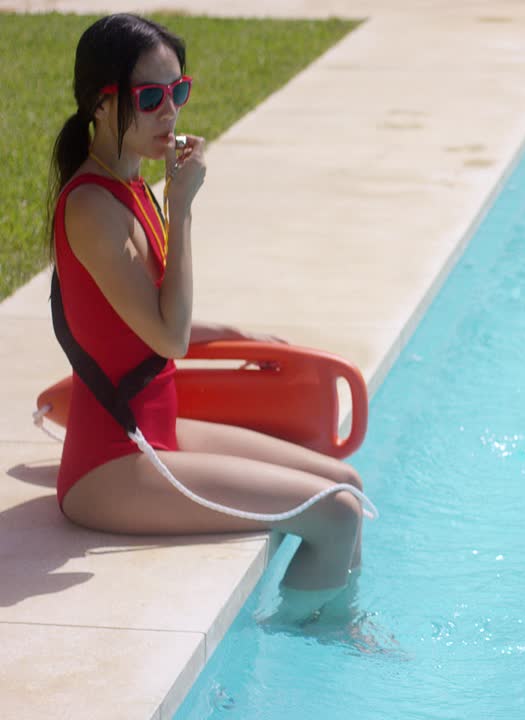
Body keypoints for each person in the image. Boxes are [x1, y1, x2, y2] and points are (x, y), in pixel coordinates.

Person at [47, 13, 363, 619]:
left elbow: (145, 319)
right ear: (102, 105)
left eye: (178, 91)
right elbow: (168, 336)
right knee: (336, 515)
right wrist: (183, 208)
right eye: (150, 97)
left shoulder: (131, 182)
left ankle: (337, 631)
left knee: (347, 484)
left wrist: (234, 333)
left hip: (154, 430)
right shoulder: (93, 206)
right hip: (108, 465)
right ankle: (313, 654)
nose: (171, 111)